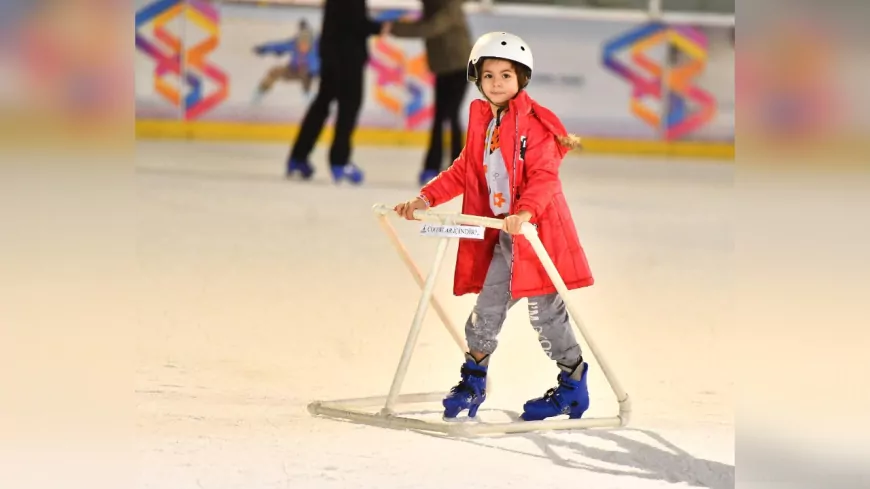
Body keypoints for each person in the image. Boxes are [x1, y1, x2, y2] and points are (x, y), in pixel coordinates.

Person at [393, 32, 590, 422]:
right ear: (477, 79)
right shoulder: (485, 124)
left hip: (538, 236)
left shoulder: (534, 125)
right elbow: (465, 171)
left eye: (505, 75)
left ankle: (573, 385)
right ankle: (473, 381)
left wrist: (526, 213)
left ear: (521, 79)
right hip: (507, 238)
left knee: (548, 319)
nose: (496, 83)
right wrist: (425, 199)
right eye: (488, 76)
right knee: (486, 310)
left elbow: (545, 177)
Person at [285, 0, 386, 185]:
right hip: (348, 56)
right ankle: (340, 161)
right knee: (349, 106)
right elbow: (356, 22)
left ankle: (298, 157)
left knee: (322, 104)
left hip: (331, 53)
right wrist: (381, 27)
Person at [383, 0, 472, 185]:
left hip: (460, 67)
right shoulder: (432, 4)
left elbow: (431, 28)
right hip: (443, 68)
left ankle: (457, 166)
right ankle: (434, 165)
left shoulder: (450, 5)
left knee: (450, 115)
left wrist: (393, 27)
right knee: (441, 117)